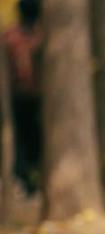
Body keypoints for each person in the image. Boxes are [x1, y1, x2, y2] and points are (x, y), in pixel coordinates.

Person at [3, 0, 42, 196]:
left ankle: (30, 182)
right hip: (22, 100)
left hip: (32, 100)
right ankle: (26, 180)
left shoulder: (14, 37)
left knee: (31, 142)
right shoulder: (15, 37)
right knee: (24, 143)